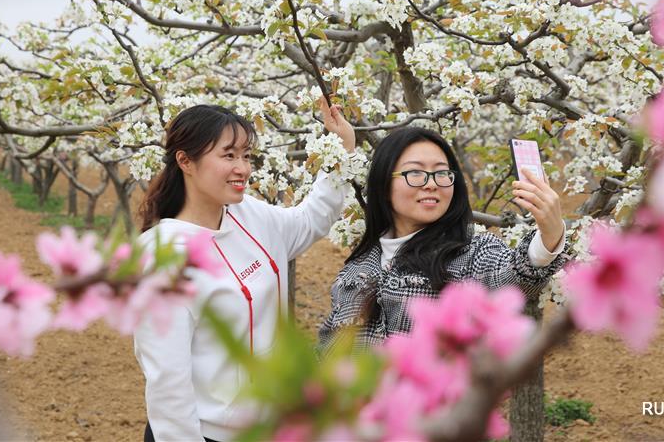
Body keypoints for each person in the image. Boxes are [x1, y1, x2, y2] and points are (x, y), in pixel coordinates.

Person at [135, 100, 354, 442]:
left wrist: (340, 151)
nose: (243, 169)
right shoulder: (163, 258)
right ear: (185, 161)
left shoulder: (248, 214)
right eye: (228, 155)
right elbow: (168, 382)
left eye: (246, 156)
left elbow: (310, 220)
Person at [319, 126, 568, 349]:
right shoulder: (358, 266)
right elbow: (329, 349)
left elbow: (512, 274)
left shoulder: (472, 251)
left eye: (441, 173)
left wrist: (549, 235)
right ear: (384, 185)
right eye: (415, 173)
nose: (431, 184)